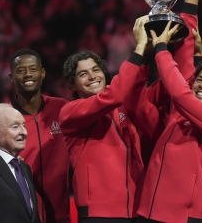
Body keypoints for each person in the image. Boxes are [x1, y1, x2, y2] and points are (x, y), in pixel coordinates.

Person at [136, 22, 202, 223]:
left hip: (182, 218)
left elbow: (179, 92)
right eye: (200, 80)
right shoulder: (181, 114)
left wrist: (161, 50)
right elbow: (185, 81)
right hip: (148, 212)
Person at [59, 16, 154, 222]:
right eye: (83, 74)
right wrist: (137, 52)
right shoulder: (70, 112)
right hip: (100, 214)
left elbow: (136, 95)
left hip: (137, 210)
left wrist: (146, 57)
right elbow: (114, 95)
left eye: (96, 70)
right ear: (72, 86)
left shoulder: (120, 105)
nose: (92, 76)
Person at [0, 49, 70, 223]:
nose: (28, 74)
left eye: (33, 69)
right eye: (20, 71)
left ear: (43, 73)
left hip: (61, 216)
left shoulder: (62, 109)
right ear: (11, 77)